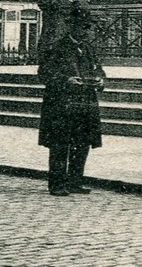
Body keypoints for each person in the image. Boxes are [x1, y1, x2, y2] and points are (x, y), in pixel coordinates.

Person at [38, 10, 106, 197]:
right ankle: (57, 184)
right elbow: (44, 74)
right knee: (60, 144)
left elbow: (99, 69)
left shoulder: (88, 49)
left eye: (88, 28)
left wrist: (100, 79)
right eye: (82, 27)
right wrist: (65, 80)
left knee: (82, 143)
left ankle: (75, 182)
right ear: (72, 27)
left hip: (85, 104)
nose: (86, 31)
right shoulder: (58, 47)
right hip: (62, 104)